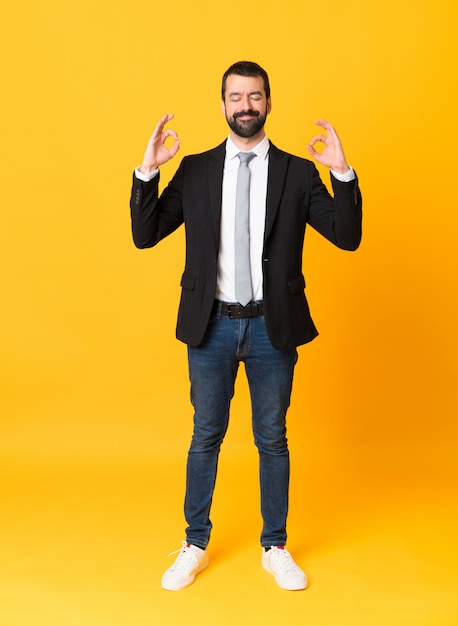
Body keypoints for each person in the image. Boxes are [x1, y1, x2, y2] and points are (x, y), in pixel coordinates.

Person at [130, 61, 362, 592]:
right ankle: (195, 543)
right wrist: (149, 170)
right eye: (235, 97)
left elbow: (347, 237)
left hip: (270, 329)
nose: (245, 106)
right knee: (205, 435)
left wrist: (342, 173)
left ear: (269, 103)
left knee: (272, 437)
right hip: (210, 325)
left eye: (254, 97)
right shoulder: (193, 169)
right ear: (223, 105)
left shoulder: (298, 173)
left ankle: (274, 546)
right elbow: (145, 235)